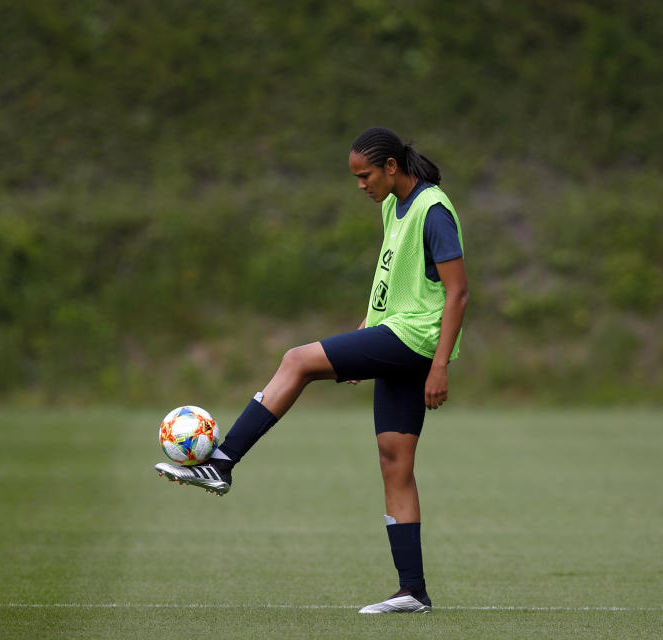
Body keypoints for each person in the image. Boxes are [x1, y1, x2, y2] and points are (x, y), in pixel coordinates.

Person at [155, 127, 468, 614]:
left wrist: (440, 366)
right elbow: (391, 278)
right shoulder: (393, 205)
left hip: (418, 339)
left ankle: (222, 463)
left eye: (365, 175)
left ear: (390, 167)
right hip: (395, 334)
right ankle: (413, 592)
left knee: (296, 360)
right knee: (394, 461)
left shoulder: (434, 209)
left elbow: (458, 292)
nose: (360, 185)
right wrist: (365, 333)